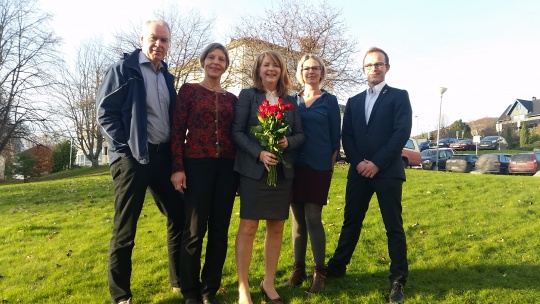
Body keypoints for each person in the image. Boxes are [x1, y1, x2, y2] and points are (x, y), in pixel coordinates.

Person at [96, 19, 184, 304]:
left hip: (162, 158)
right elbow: (105, 113)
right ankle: (121, 296)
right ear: (142, 38)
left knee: (178, 214)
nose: (159, 44)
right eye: (154, 38)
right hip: (132, 160)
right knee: (126, 228)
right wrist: (126, 147)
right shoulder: (123, 70)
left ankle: (178, 279)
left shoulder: (166, 77)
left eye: (164, 40)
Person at [326, 47, 412, 304]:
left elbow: (401, 133)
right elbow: (348, 136)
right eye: (369, 65)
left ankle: (398, 280)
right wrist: (357, 162)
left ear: (387, 67)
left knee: (393, 227)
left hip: (387, 172)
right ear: (363, 70)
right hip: (358, 172)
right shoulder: (353, 102)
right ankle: (337, 268)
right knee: (350, 222)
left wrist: (376, 163)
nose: (374, 68)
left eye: (379, 64)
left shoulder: (399, 96)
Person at [231, 50, 305, 304]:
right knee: (248, 227)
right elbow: (237, 132)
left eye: (275, 65)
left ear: (282, 70)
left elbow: (300, 135)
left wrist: (288, 141)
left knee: (276, 228)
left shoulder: (291, 101)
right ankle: (243, 288)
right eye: (266, 65)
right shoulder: (248, 96)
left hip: (281, 174)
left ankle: (268, 283)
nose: (271, 69)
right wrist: (259, 153)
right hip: (253, 172)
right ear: (258, 69)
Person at [170, 43, 238, 304]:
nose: (216, 62)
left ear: (225, 65)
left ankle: (210, 288)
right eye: (211, 57)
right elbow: (177, 131)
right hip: (197, 165)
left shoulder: (232, 98)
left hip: (227, 169)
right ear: (203, 61)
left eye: (221, 59)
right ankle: (190, 290)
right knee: (194, 230)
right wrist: (177, 168)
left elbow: (236, 134)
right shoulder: (189, 91)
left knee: (219, 229)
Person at [285, 54, 340, 294]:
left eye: (315, 68)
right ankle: (298, 270)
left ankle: (319, 273)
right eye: (306, 68)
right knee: (297, 220)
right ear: (300, 72)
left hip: (319, 167)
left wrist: (329, 166)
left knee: (313, 218)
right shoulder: (291, 100)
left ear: (321, 72)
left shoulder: (330, 101)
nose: (311, 72)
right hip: (294, 166)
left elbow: (334, 140)